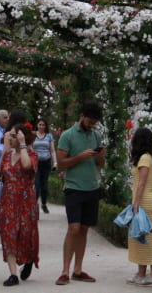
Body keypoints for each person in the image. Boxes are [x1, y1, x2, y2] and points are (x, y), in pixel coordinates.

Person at [55, 102, 106, 286]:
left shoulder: (96, 136)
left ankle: (78, 269)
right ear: (82, 116)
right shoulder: (67, 136)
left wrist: (100, 156)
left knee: (84, 229)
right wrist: (80, 157)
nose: (92, 125)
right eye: (90, 121)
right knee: (73, 228)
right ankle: (65, 270)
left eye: (95, 123)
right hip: (74, 187)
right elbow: (61, 164)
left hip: (92, 187)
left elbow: (101, 164)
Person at [0, 124, 39, 286]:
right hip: (7, 199)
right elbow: (2, 172)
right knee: (8, 235)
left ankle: (28, 260)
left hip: (25, 200)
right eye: (11, 136)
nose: (10, 138)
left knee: (26, 235)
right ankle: (13, 274)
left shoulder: (32, 155)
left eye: (14, 136)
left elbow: (27, 166)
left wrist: (22, 145)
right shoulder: (7, 155)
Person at [126, 127, 152, 287]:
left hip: (146, 201)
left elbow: (142, 183)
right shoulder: (146, 157)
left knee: (149, 238)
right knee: (139, 237)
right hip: (142, 201)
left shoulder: (145, 158)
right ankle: (141, 273)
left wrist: (136, 204)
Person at [33, 118, 57, 214]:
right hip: (36, 162)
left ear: (46, 126)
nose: (41, 126)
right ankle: (34, 205)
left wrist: (55, 162)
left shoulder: (49, 136)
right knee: (37, 184)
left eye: (43, 125)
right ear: (37, 125)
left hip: (46, 162)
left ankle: (43, 204)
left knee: (44, 185)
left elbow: (52, 150)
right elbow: (30, 148)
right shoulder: (33, 135)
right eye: (40, 124)